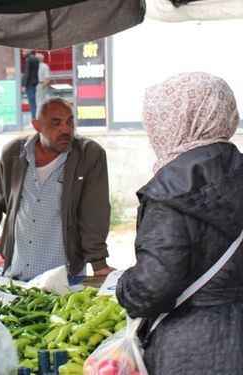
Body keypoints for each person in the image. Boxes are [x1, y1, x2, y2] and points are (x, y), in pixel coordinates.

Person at [115, 72, 243, 375]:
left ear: (175, 119)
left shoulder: (170, 189)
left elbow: (150, 291)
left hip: (192, 352)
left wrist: (123, 287)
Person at [0, 97, 114, 280]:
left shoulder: (89, 155)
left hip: (64, 280)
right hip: (16, 276)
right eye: (56, 123)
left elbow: (94, 212)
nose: (65, 129)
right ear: (37, 125)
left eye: (70, 122)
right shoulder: (14, 153)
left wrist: (99, 263)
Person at [21, 50, 39, 120]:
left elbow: (27, 73)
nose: (22, 53)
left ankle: (33, 118)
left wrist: (24, 85)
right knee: (33, 101)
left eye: (23, 51)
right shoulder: (35, 59)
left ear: (28, 51)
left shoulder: (28, 60)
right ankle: (34, 117)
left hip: (29, 84)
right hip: (34, 82)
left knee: (32, 102)